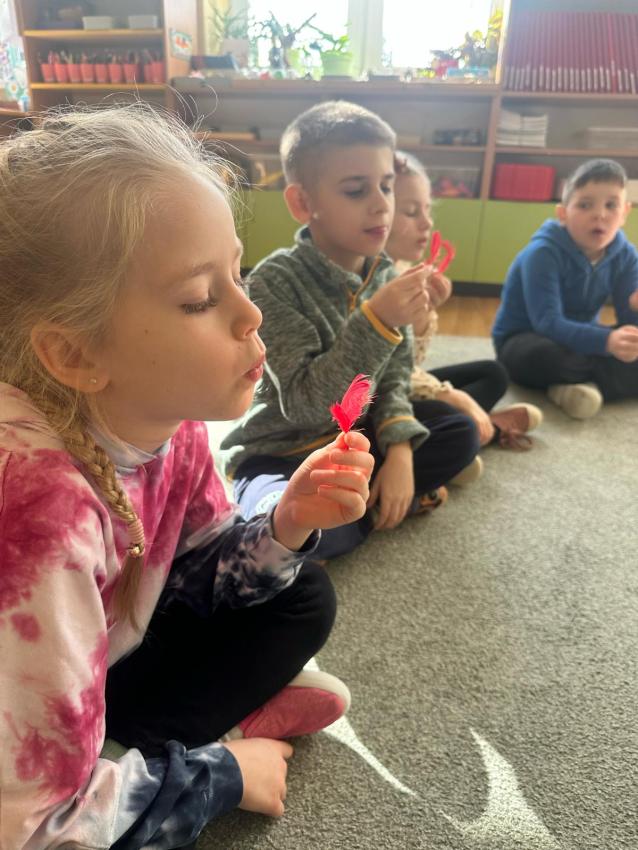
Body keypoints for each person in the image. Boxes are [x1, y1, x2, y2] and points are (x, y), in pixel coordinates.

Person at [0, 104, 375, 850]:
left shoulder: (169, 420)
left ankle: (140, 756)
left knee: (302, 592)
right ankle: (150, 759)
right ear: (74, 355)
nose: (250, 313)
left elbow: (197, 573)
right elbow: (30, 829)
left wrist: (287, 523)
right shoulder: (39, 514)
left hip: (96, 655)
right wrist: (223, 776)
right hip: (31, 710)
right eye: (201, 298)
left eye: (238, 273)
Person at [221, 100, 480, 551]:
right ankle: (368, 513)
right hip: (284, 451)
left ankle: (364, 510)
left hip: (357, 442)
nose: (381, 205)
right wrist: (376, 321)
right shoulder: (272, 282)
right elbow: (306, 407)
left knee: (460, 432)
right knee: (274, 521)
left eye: (386, 186)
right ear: (303, 203)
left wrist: (400, 450)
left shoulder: (383, 272)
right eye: (357, 191)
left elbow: (397, 374)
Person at [385, 152, 543, 467]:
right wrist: (450, 395)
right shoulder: (369, 280)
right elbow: (381, 376)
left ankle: (469, 436)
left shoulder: (401, 270)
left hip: (397, 384)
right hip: (377, 400)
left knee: (493, 373)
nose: (427, 222)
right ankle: (478, 434)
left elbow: (410, 361)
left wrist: (424, 314)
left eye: (428, 210)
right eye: (412, 212)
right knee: (452, 414)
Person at [493, 158, 638, 419]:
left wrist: (634, 313)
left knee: (630, 347)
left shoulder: (626, 255)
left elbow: (628, 323)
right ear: (563, 214)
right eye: (585, 205)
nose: (600, 214)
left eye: (611, 205)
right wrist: (606, 342)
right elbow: (547, 323)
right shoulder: (542, 253)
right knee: (542, 358)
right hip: (527, 338)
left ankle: (572, 387)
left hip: (581, 342)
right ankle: (592, 381)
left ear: (625, 213)